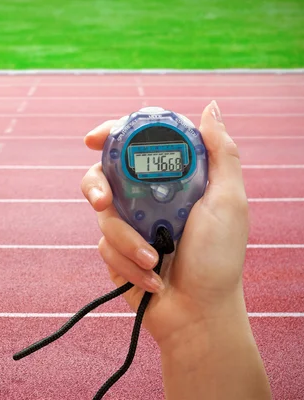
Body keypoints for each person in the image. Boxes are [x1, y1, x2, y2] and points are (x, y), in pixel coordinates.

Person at [80, 101, 272, 399]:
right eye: (149, 164)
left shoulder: (130, 147)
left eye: (168, 162)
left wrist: (208, 313)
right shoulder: (179, 143)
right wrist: (193, 330)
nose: (160, 187)